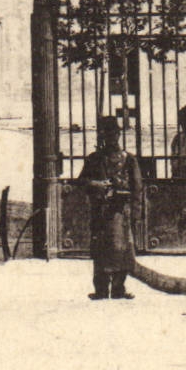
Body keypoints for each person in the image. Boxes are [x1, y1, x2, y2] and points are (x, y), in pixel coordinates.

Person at [75, 115, 143, 301]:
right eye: (106, 133)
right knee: (100, 249)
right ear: (102, 136)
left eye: (114, 133)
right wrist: (97, 184)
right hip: (101, 211)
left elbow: (137, 188)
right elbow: (81, 181)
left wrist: (136, 212)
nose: (111, 137)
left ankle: (119, 287)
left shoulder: (129, 160)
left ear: (119, 134)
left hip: (121, 211)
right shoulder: (94, 159)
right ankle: (101, 289)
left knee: (123, 249)